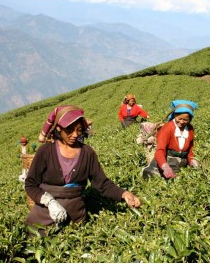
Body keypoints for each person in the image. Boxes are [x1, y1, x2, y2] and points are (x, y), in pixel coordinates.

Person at [25, 105, 141, 236]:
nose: (75, 135)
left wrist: (124, 194)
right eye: (69, 130)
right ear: (58, 128)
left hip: (74, 218)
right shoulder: (45, 151)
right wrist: (49, 202)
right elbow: (30, 184)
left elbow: (102, 184)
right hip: (43, 217)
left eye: (79, 130)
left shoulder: (87, 153)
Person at [142, 100, 199, 179]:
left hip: (181, 161)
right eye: (179, 118)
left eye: (185, 120)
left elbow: (190, 150)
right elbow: (160, 150)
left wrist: (192, 161)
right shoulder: (168, 128)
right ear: (175, 115)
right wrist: (165, 166)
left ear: (190, 119)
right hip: (166, 159)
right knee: (152, 175)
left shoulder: (190, 129)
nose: (182, 122)